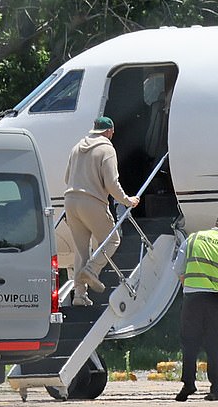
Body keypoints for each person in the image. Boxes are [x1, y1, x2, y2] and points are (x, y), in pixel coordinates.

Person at [64, 116, 140, 306]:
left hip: (70, 201)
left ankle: (80, 296)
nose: (112, 135)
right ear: (107, 132)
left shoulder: (76, 147)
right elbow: (112, 183)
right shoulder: (106, 149)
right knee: (112, 239)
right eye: (112, 132)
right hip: (91, 202)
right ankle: (92, 270)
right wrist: (127, 201)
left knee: (81, 250)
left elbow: (67, 177)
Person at [172, 211, 218, 402]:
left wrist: (188, 285)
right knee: (215, 345)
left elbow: (178, 267)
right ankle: (216, 390)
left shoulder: (193, 238)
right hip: (214, 299)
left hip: (192, 298)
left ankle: (188, 384)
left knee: (189, 342)